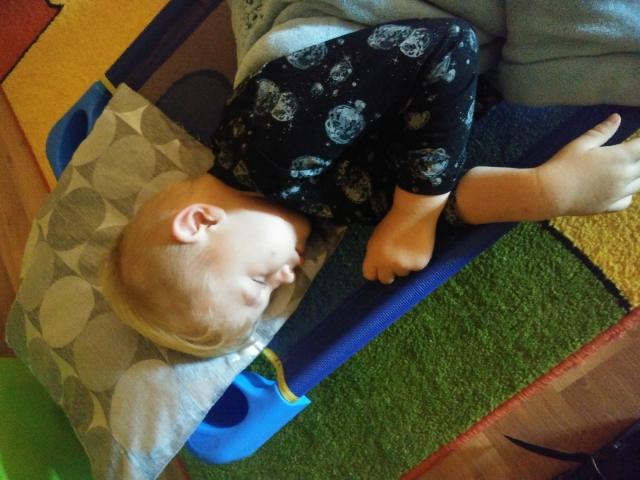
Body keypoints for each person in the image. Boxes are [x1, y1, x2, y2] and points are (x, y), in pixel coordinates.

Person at [101, 18, 640, 357]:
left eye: (260, 280)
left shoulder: (265, 140)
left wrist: (413, 212)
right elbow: (433, 198)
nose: (288, 276)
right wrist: (547, 192)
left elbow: (444, 46)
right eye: (276, 291)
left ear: (199, 222)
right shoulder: (315, 202)